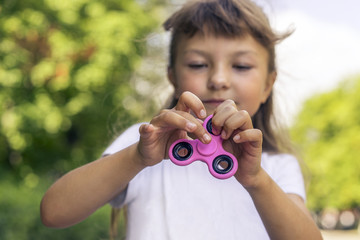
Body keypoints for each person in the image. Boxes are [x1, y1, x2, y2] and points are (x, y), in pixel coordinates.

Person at [40, 0, 323, 239]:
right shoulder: (145, 142)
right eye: (198, 64)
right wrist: (137, 157)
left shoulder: (275, 167)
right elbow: (53, 212)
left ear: (267, 85)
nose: (218, 80)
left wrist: (256, 180)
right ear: (172, 77)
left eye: (241, 66)